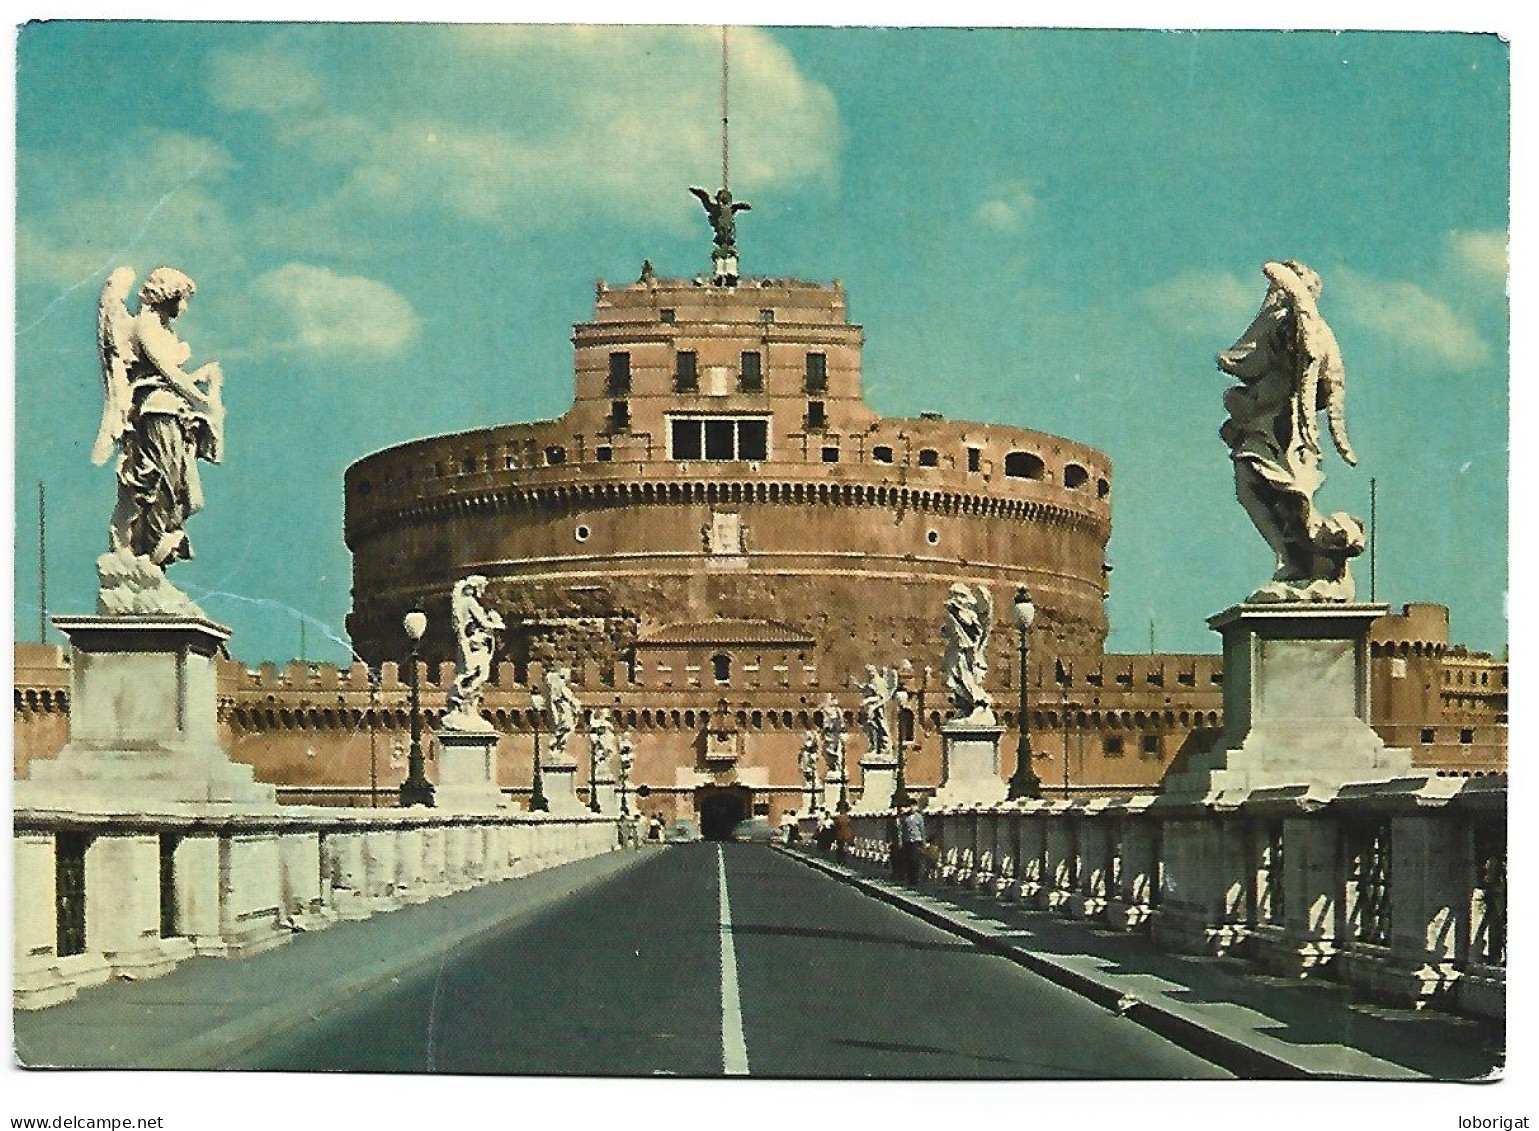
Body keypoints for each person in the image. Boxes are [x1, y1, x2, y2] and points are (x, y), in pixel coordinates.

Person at [95, 266, 225, 568]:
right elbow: (168, 373)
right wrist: (204, 400)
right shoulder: (144, 326)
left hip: (174, 414)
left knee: (184, 490)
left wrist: (201, 381)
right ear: (169, 294)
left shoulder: (165, 329)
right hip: (157, 414)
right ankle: (149, 548)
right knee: (160, 482)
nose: (185, 305)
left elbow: (172, 378)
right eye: (183, 297)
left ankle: (155, 548)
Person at [896, 801, 928, 885]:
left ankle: (915, 878)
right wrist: (900, 841)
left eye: (914, 806)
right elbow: (901, 830)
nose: (913, 808)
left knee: (915, 860)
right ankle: (910, 878)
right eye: (911, 806)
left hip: (916, 841)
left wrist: (924, 842)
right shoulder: (905, 817)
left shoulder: (919, 817)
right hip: (907, 841)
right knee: (908, 861)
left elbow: (922, 830)